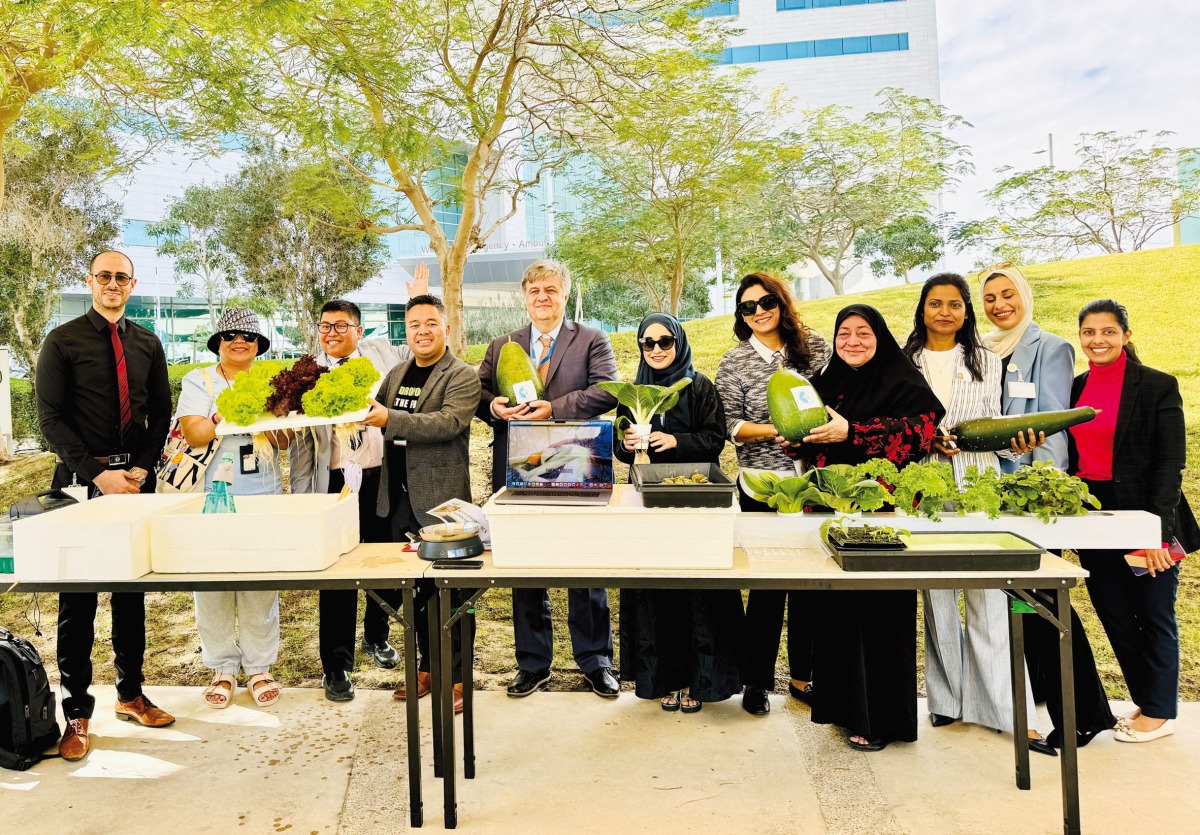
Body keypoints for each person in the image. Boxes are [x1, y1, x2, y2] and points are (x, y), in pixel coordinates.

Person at [903, 274, 1054, 756]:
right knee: (939, 597)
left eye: (954, 304)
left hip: (979, 485)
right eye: (935, 304)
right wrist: (926, 439)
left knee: (990, 596)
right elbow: (898, 424)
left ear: (965, 312)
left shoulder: (988, 360)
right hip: (924, 486)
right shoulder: (906, 363)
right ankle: (947, 701)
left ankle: (1015, 715)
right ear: (922, 310)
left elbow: (1003, 421)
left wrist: (1020, 441)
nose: (944, 312)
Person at [35, 250, 176, 761]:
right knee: (77, 602)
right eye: (104, 276)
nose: (112, 284)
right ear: (90, 281)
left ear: (131, 285)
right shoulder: (62, 340)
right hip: (79, 483)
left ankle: (130, 693)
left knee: (130, 592)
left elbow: (159, 414)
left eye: (121, 277)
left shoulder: (147, 342)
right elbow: (49, 419)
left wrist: (139, 469)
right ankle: (76, 713)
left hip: (134, 483)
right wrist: (99, 474)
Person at [979, 265, 1117, 748]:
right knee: (1022, 603)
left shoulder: (1049, 347)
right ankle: (1048, 700)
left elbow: (1055, 426)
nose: (999, 305)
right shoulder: (985, 347)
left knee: (1044, 605)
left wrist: (1044, 495)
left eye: (1007, 294)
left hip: (1028, 501)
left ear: (1025, 295)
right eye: (990, 297)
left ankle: (1082, 715)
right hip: (989, 496)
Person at [801, 304, 943, 751]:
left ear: (880, 337)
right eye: (844, 333)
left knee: (883, 616)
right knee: (838, 614)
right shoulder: (826, 383)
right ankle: (845, 711)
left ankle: (881, 719)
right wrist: (797, 438)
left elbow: (921, 431)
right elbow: (808, 431)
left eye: (863, 333)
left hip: (882, 512)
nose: (853, 341)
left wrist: (855, 433)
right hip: (830, 510)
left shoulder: (901, 379)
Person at [476, 259, 619, 699]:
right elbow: (479, 393)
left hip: (577, 462)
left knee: (584, 564)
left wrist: (554, 409)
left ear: (565, 295)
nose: (542, 297)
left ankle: (596, 661)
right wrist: (494, 407)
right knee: (524, 562)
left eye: (551, 290)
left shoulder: (592, 339)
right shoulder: (503, 344)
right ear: (525, 297)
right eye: (535, 289)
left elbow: (608, 390)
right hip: (519, 464)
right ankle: (533, 663)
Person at [1068, 299, 1200, 743]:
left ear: (1125, 335)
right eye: (1089, 332)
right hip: (1093, 515)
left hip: (1145, 511)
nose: (1098, 340)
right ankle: (1146, 701)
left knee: (1154, 612)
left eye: (1107, 331)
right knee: (1114, 612)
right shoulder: (1075, 388)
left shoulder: (1157, 386)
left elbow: (1170, 464)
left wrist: (1156, 535)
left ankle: (1160, 711)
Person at [714, 273, 830, 717]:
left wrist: (811, 435)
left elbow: (835, 403)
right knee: (766, 589)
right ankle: (756, 681)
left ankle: (804, 676)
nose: (759, 311)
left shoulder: (815, 348)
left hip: (814, 482)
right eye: (748, 306)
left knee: (810, 587)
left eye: (766, 302)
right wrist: (778, 431)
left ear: (781, 303)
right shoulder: (735, 362)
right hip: (762, 484)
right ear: (741, 315)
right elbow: (731, 426)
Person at [291, 291, 416, 701]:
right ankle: (337, 665)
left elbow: (423, 339)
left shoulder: (379, 352)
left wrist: (416, 298)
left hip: (382, 476)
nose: (331, 333)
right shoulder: (307, 371)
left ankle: (376, 635)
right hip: (334, 483)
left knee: (383, 561)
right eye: (325, 327)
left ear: (359, 331)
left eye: (341, 326)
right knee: (338, 571)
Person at [615, 314, 741, 714]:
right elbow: (619, 449)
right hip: (647, 508)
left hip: (694, 504)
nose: (655, 350)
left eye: (664, 342)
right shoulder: (633, 390)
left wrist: (675, 441)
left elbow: (714, 440)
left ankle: (699, 681)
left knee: (697, 593)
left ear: (679, 342)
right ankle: (664, 680)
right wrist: (628, 441)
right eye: (647, 343)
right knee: (657, 593)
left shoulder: (699, 385)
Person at [364, 294, 482, 714]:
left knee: (449, 595)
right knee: (414, 591)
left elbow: (448, 424)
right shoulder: (396, 373)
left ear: (446, 328)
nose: (423, 331)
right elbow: (371, 412)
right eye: (414, 324)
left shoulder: (462, 375)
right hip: (396, 500)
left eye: (431, 323)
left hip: (440, 502)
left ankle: (457, 677)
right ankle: (426, 669)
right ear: (406, 331)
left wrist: (387, 419)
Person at [177, 308, 296, 710]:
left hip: (262, 494)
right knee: (210, 585)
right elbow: (194, 434)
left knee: (260, 585)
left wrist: (272, 417)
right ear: (218, 342)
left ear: (259, 343)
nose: (238, 341)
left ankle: (259, 666)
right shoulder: (200, 380)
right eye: (229, 335)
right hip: (211, 496)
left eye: (247, 335)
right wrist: (228, 414)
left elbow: (285, 442)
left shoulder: (271, 380)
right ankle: (223, 667)